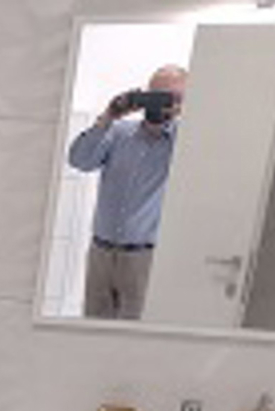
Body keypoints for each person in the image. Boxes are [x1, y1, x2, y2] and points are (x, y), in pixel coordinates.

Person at [69, 65, 189, 320]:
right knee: (91, 330)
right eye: (157, 94)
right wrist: (108, 116)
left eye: (174, 97)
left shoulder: (184, 142)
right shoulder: (117, 132)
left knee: (133, 334)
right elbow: (80, 161)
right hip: (101, 254)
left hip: (145, 259)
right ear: (145, 95)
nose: (165, 103)